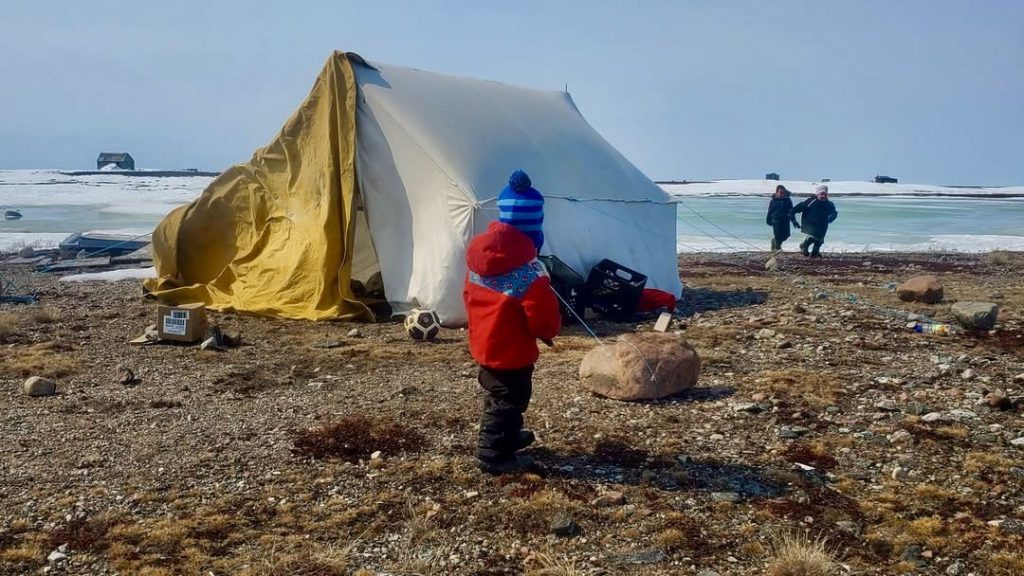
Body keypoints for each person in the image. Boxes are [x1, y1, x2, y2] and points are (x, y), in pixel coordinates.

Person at [463, 170, 561, 475]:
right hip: (511, 353)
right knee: (510, 400)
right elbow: (543, 318)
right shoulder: (530, 275)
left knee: (496, 395)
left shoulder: (478, 263)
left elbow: (468, 296)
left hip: (484, 344)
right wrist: (548, 330)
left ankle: (507, 436)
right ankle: (492, 454)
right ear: (534, 233)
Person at [791, 184, 838, 257]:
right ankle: (804, 246)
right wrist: (793, 220)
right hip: (810, 223)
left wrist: (831, 217)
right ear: (817, 194)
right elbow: (795, 209)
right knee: (814, 235)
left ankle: (814, 253)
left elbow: (834, 212)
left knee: (820, 239)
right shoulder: (810, 201)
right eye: (821, 194)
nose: (823, 196)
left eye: (825, 194)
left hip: (823, 225)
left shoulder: (829, 204)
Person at [765, 185, 798, 251]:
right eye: (780, 192)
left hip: (785, 220)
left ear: (785, 193)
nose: (781, 194)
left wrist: (793, 220)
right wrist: (768, 220)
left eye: (783, 193)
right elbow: (770, 211)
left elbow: (791, 211)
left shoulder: (788, 201)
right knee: (778, 235)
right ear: (776, 193)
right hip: (776, 220)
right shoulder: (773, 201)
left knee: (786, 236)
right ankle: (777, 248)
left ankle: (774, 241)